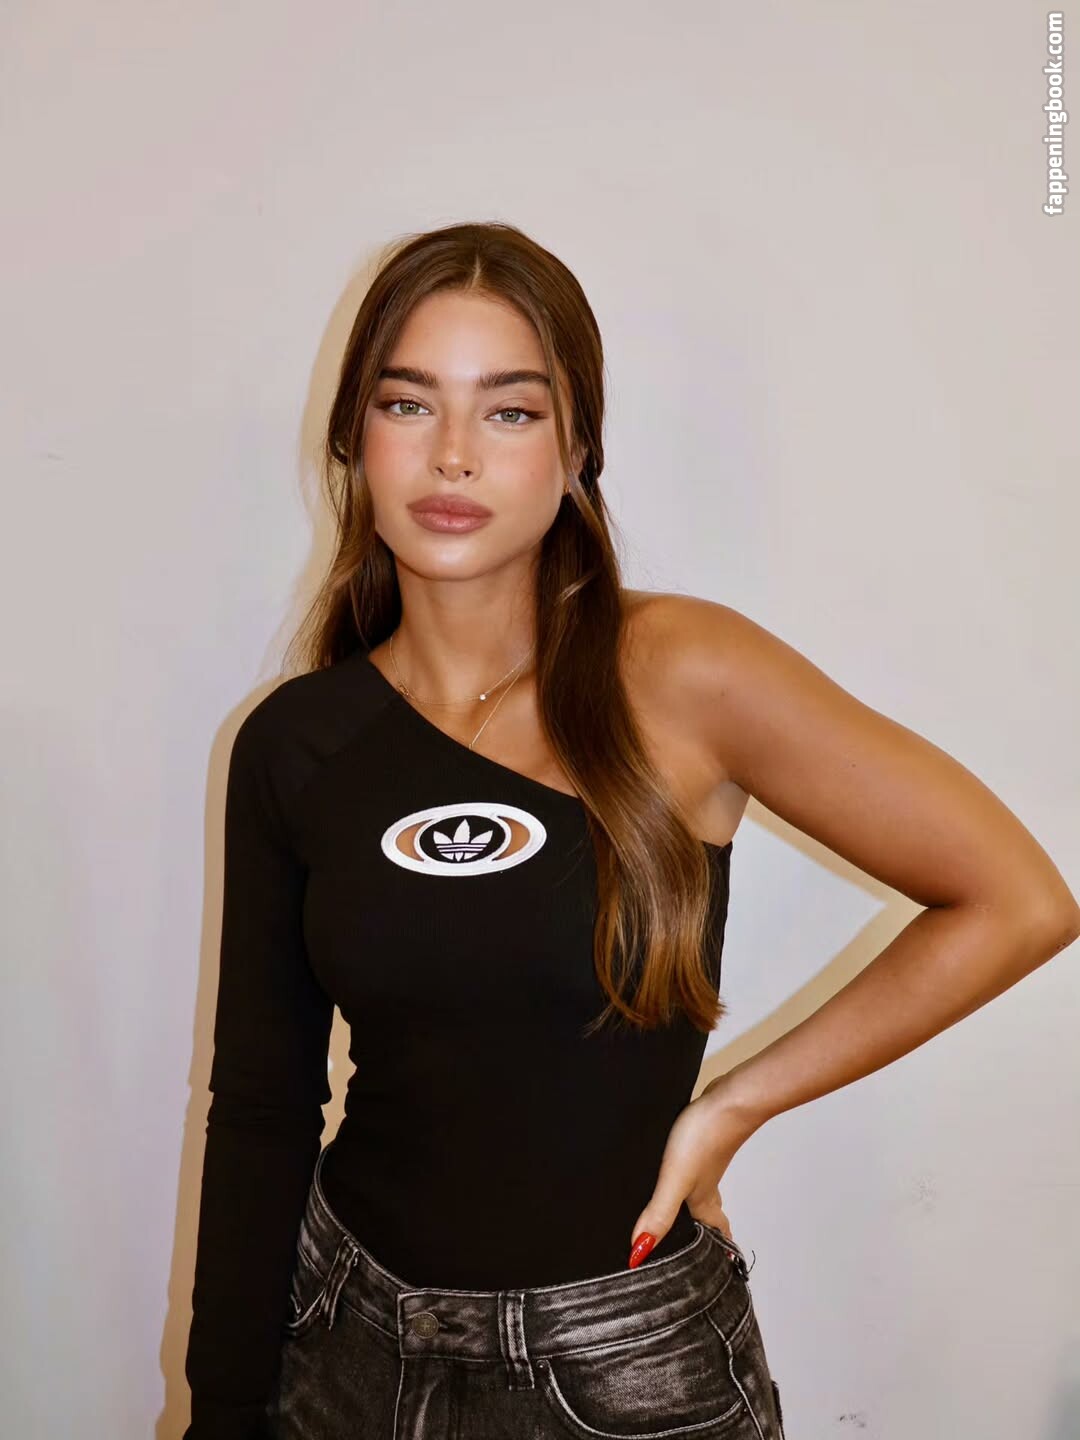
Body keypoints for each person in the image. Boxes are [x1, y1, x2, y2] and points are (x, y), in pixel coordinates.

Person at [182, 220, 1080, 1440]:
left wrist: (731, 1106)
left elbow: (1019, 901)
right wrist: (224, 1409)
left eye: (509, 411)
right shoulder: (296, 742)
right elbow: (262, 1106)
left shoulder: (681, 672)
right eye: (408, 404)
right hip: (350, 1350)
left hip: (623, 1374)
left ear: (577, 449)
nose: (452, 455)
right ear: (354, 436)